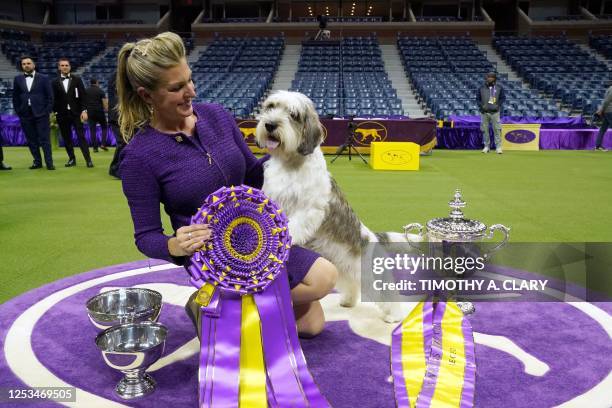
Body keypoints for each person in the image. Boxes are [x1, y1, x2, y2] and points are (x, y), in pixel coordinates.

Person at [117, 32, 337, 337]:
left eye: (189, 80)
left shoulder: (217, 115)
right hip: (212, 256)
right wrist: (174, 245)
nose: (191, 92)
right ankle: (214, 297)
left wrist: (300, 166)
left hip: (259, 238)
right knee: (322, 278)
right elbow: (146, 235)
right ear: (146, 95)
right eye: (177, 88)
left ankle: (224, 307)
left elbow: (252, 174)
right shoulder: (139, 157)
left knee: (312, 325)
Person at [12, 56, 55, 170]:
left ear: (33, 65)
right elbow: (15, 97)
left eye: (28, 63)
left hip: (41, 114)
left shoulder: (44, 78)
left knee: (45, 140)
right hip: (25, 114)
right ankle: (37, 162)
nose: (26, 65)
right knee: (31, 140)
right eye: (24, 64)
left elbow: (50, 97)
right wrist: (19, 111)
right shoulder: (17, 79)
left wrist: (47, 111)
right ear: (22, 66)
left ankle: (49, 163)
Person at [52, 58, 93, 168]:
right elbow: (53, 99)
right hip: (62, 114)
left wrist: (84, 111)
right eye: (62, 65)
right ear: (59, 67)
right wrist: (55, 112)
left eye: (66, 65)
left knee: (81, 137)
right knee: (66, 138)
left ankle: (88, 160)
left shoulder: (77, 79)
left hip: (76, 113)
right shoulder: (54, 82)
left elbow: (83, 96)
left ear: (69, 67)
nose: (64, 67)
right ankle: (71, 159)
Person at [477, 72, 505, 154]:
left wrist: (498, 105)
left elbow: (503, 98)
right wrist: (481, 106)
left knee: (497, 129)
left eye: (492, 77)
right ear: (486, 78)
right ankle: (486, 146)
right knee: (485, 130)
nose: (490, 78)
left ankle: (498, 147)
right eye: (488, 77)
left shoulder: (499, 88)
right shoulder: (481, 88)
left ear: (495, 78)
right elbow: (477, 99)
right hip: (484, 112)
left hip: (495, 112)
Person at [107, 72, 125, 179]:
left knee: (124, 143)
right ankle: (114, 168)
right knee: (122, 142)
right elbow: (115, 100)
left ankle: (119, 167)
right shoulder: (115, 77)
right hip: (117, 116)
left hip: (124, 115)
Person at [84, 78, 109, 153]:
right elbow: (104, 102)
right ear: (97, 83)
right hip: (99, 111)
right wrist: (106, 109)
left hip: (90, 112)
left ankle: (95, 148)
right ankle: (103, 144)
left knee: (92, 129)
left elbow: (84, 102)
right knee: (104, 127)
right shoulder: (100, 91)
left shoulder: (86, 91)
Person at [594, 82, 611, 152]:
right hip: (610, 111)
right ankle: (598, 146)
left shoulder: (609, 89)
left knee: (603, 129)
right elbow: (607, 101)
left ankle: (598, 146)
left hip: (607, 111)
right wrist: (601, 110)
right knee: (603, 129)